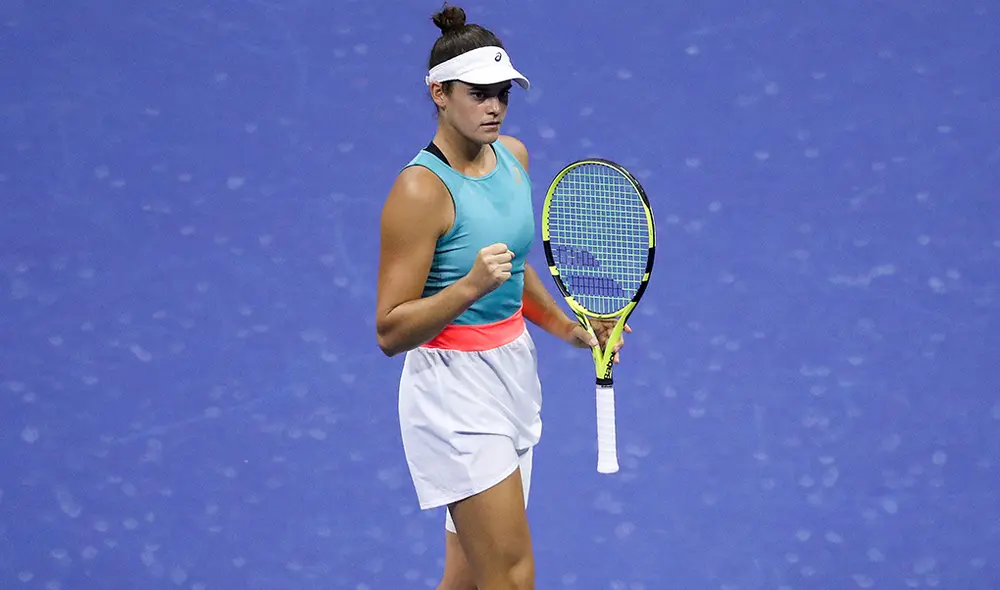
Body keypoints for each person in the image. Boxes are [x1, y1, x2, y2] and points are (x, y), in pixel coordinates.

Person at [375, 5, 630, 589]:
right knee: (511, 577)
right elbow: (390, 330)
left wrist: (570, 328)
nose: (493, 107)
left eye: (502, 94)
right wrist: (467, 286)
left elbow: (513, 273)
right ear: (439, 93)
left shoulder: (513, 157)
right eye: (478, 93)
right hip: (452, 393)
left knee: (466, 578)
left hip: (513, 374)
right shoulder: (419, 191)